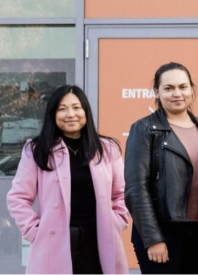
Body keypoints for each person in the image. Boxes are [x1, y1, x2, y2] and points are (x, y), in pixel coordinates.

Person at [7, 85, 130, 274]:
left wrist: (117, 221)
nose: (70, 114)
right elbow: (18, 198)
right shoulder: (37, 150)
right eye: (62, 109)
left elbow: (121, 194)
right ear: (53, 114)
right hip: (54, 241)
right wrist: (34, 231)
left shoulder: (107, 149)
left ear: (85, 111)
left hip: (99, 240)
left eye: (76, 107)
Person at [126, 63, 198, 273]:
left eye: (183, 87)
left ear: (191, 90)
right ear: (157, 92)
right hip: (162, 230)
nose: (177, 93)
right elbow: (136, 189)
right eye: (169, 88)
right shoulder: (144, 129)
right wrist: (152, 238)